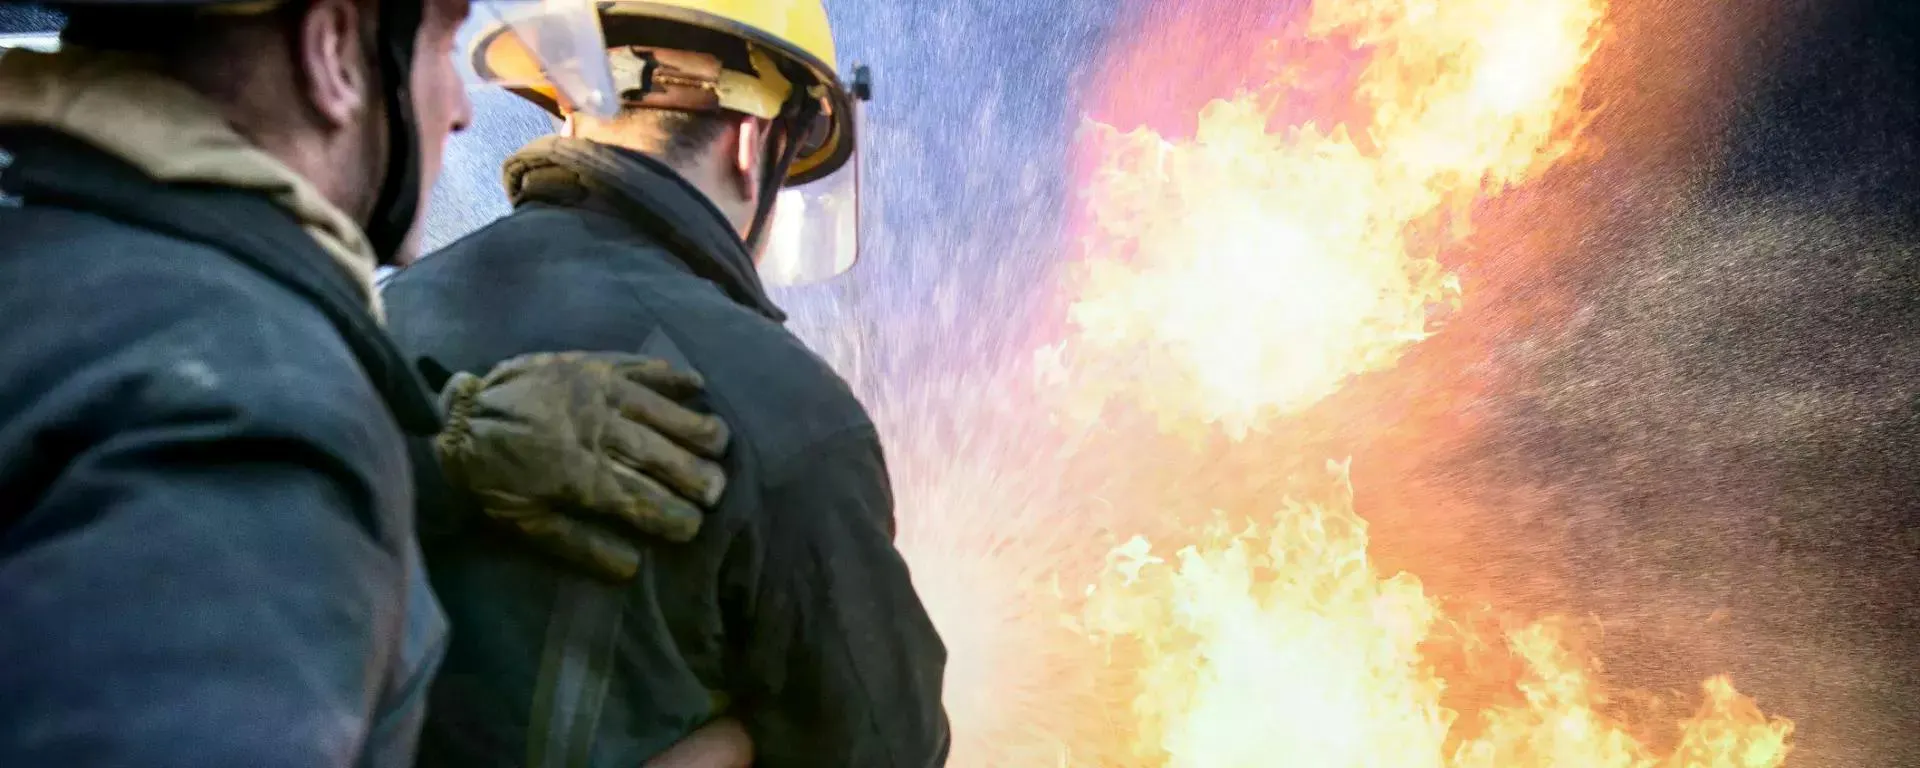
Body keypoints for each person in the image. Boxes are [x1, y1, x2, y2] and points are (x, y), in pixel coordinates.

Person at [0, 0, 731, 764]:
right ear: (334, 53)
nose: (460, 112)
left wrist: (443, 451)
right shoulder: (247, 431)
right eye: (441, 48)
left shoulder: (55, 270)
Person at [380, 2, 951, 766]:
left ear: (571, 109)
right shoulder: (786, 408)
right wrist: (748, 738)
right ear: (754, 143)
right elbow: (888, 747)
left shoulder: (378, 324)